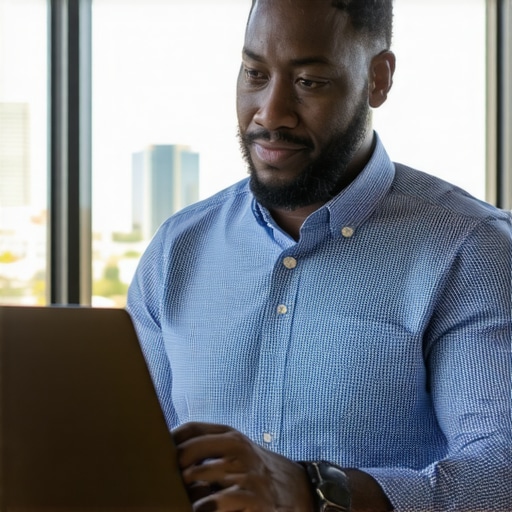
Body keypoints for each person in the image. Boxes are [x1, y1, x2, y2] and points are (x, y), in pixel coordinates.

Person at [127, 0, 512, 510]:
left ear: (378, 78)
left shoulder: (470, 250)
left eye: (308, 81)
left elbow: (502, 469)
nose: (270, 112)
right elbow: (129, 456)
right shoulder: (177, 250)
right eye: (255, 73)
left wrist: (315, 491)